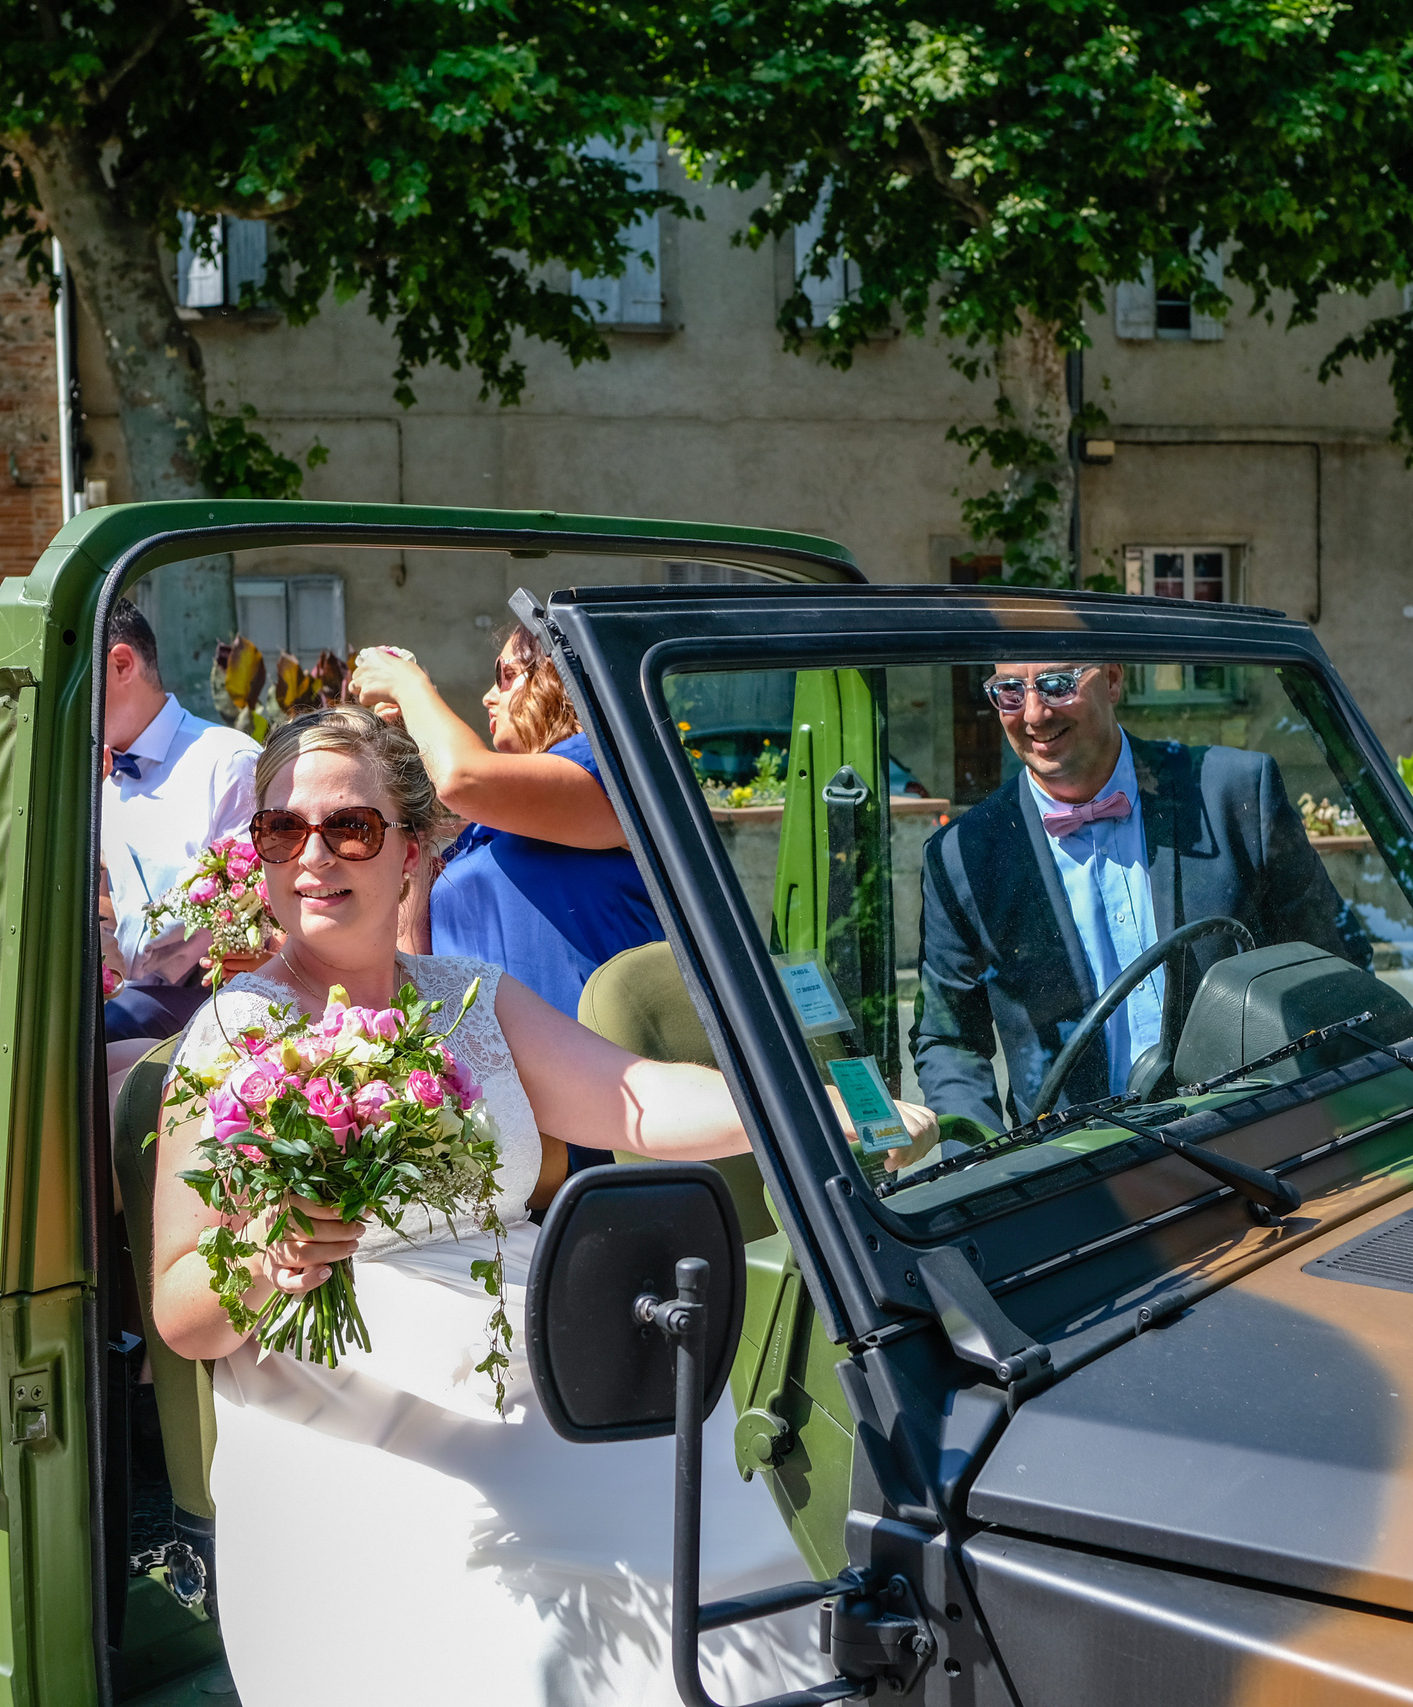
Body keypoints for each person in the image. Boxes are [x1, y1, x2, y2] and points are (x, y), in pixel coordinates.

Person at [150, 706, 934, 1706]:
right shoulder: (229, 1035)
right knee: (521, 1644)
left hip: (537, 1352)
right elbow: (181, 1314)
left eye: (350, 827)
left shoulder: (471, 998)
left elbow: (636, 1099)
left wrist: (815, 1110)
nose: (314, 856)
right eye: (281, 831)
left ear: (412, 851)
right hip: (343, 1403)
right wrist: (273, 1253)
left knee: (745, 1545)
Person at [913, 659, 1358, 1131]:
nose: (1035, 714)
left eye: (1058, 685)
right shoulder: (963, 854)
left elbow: (1333, 966)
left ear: (1112, 679)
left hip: (1251, 1137)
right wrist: (982, 1173)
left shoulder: (1236, 791)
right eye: (1010, 691)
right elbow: (950, 1040)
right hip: (1076, 1174)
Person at [350, 624, 660, 1019]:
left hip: (586, 1061)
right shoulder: (492, 823)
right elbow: (411, 938)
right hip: (483, 1065)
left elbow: (462, 779)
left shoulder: (607, 767)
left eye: (506, 675)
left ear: (560, 680)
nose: (489, 697)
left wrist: (409, 684)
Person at [99, 604, 262, 1041]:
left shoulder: (228, 762)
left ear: (121, 664)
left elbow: (252, 913)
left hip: (215, 1000)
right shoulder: (95, 774)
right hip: (122, 996)